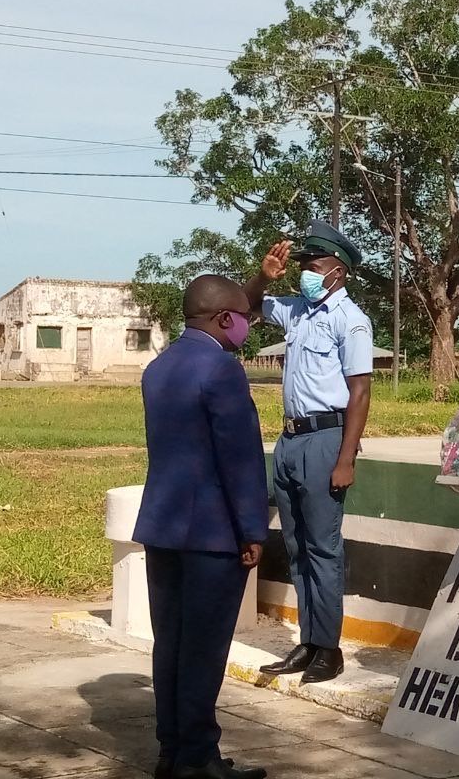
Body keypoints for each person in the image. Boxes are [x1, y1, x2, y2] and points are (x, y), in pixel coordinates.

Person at [133, 275, 270, 779]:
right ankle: (199, 758)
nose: (248, 327)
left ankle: (171, 752)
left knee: (170, 643)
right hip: (212, 533)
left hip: (163, 525)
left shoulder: (159, 367)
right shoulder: (222, 369)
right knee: (204, 650)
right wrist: (253, 528)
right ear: (223, 319)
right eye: (245, 318)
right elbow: (239, 459)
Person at [246, 220, 373, 685]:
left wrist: (345, 459)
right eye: (301, 264)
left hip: (325, 439)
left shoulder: (350, 320)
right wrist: (264, 276)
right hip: (290, 440)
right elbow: (245, 306)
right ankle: (307, 642)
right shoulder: (298, 312)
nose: (304, 271)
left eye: (313, 265)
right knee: (298, 547)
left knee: (324, 549)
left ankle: (329, 649)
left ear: (337, 270)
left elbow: (359, 392)